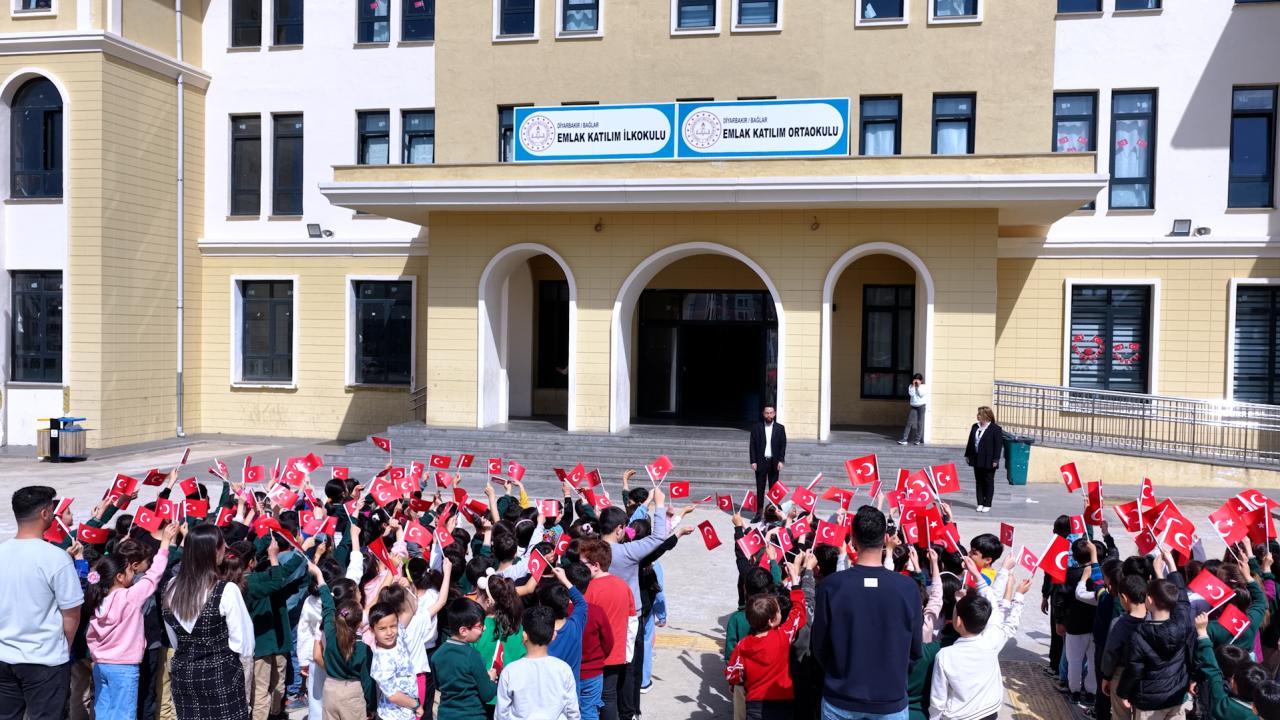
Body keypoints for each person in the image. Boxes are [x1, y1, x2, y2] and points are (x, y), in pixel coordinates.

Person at [811, 505, 923, 720]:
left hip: (841, 694)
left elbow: (820, 645)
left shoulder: (832, 585)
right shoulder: (907, 587)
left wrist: (839, 673)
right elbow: (915, 647)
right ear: (885, 538)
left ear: (853, 538)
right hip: (889, 696)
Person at [0, 485, 85, 720]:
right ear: (45, 513)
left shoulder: (2, 552)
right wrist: (63, 649)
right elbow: (72, 614)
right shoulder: (56, 558)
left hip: (4, 656)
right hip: (44, 660)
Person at [162, 524, 254, 720]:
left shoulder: (170, 588)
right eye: (222, 545)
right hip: (222, 676)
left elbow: (175, 640)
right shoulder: (226, 590)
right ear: (213, 551)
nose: (225, 549)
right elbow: (244, 644)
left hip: (184, 676)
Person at [86, 526, 178, 720]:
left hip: (101, 664)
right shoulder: (129, 597)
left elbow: (91, 636)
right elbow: (154, 575)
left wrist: (98, 655)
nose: (132, 572)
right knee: (125, 713)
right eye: (128, 569)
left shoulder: (97, 598)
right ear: (119, 577)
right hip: (124, 667)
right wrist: (164, 545)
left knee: (103, 710)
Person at [928, 574, 1031, 720]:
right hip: (989, 713)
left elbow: (938, 700)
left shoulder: (945, 655)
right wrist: (1018, 595)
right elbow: (1004, 620)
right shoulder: (991, 642)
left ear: (958, 621)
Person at [725, 552, 812, 720]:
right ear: (772, 621)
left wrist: (737, 681)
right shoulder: (783, 636)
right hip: (784, 703)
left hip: (755, 705)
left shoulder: (742, 646)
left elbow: (732, 673)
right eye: (778, 611)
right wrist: (795, 584)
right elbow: (798, 615)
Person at [581, 538, 636, 720]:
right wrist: (627, 652)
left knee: (592, 700)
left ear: (595, 565)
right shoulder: (623, 585)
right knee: (609, 697)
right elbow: (632, 620)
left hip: (594, 656)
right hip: (617, 653)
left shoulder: (589, 589)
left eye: (584, 563)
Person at [496, 605, 580, 720]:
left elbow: (501, 714)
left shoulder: (510, 671)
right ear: (553, 636)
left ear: (524, 636)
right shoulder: (564, 669)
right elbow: (573, 712)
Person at [433, 597, 498, 720]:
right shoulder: (472, 656)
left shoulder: (437, 655)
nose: (484, 628)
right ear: (463, 631)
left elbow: (439, 686)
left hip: (446, 715)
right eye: (480, 625)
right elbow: (487, 694)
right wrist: (491, 680)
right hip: (472, 715)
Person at [368, 601, 424, 720]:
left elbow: (410, 609)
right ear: (372, 630)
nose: (389, 632)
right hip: (392, 716)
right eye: (382, 628)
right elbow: (393, 695)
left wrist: (407, 584)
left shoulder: (398, 636)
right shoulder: (381, 661)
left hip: (408, 712)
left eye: (393, 626)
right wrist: (416, 705)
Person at [749, 406, 787, 523]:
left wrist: (781, 460)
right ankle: (759, 513)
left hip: (774, 462)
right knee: (760, 489)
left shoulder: (780, 428)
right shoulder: (757, 427)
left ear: (774, 413)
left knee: (773, 490)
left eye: (771, 413)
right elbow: (752, 445)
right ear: (763, 414)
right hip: (761, 462)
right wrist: (753, 461)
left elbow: (782, 445)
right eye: (767, 413)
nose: (769, 415)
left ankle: (772, 514)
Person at [963, 406, 1004, 513]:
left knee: (988, 481)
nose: (978, 416)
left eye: (980, 414)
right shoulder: (975, 426)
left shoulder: (995, 429)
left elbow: (998, 446)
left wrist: (996, 459)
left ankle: (987, 503)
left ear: (986, 416)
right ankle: (980, 503)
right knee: (979, 481)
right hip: (977, 458)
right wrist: (967, 455)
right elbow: (970, 442)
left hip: (989, 459)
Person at [899, 374, 928, 446]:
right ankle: (904, 439)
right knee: (909, 422)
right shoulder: (911, 386)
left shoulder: (924, 387)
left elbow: (921, 394)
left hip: (921, 406)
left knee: (919, 423)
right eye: (915, 379)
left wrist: (918, 387)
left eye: (918, 379)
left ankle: (917, 440)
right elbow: (911, 394)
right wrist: (913, 386)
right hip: (914, 406)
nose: (916, 381)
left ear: (921, 381)